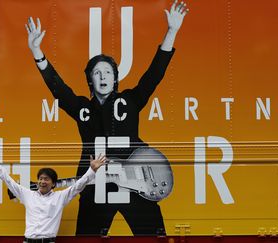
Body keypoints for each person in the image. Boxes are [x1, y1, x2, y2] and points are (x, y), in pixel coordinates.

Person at [25, 0, 189, 235]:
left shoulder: (130, 100)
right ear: (90, 79)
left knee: (154, 236)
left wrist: (171, 31)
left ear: (115, 78)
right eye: (97, 72)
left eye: (108, 72)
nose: (103, 76)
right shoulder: (81, 107)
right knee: (87, 237)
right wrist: (37, 52)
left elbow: (154, 75)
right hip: (96, 184)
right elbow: (58, 88)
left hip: (136, 183)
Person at [0, 149, 106, 242]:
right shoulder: (28, 195)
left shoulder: (60, 197)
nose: (42, 181)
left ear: (53, 183)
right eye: (40, 179)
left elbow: (78, 186)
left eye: (46, 179)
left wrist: (92, 170)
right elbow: (10, 182)